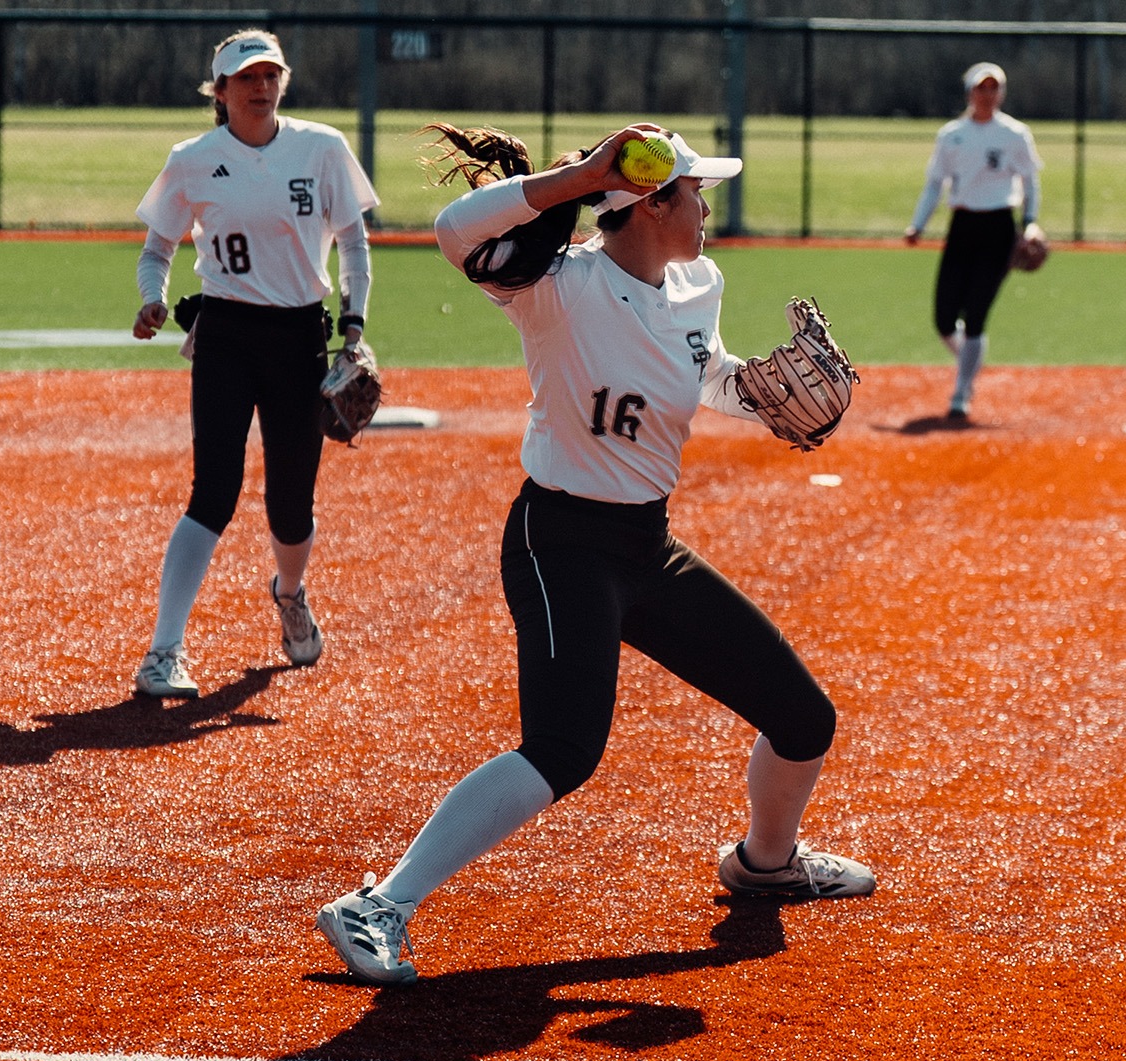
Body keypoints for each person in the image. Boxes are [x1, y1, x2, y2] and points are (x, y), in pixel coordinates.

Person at [315, 123, 876, 985]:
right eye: (694, 191)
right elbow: (454, 232)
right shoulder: (555, 286)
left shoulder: (699, 282)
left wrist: (756, 394)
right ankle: (378, 905)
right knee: (564, 747)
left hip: (645, 549)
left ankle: (767, 863)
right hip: (560, 543)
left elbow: (700, 365)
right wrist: (579, 176)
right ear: (648, 203)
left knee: (805, 720)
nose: (707, 206)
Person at [128, 29, 378, 698]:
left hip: (300, 339)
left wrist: (352, 329)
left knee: (291, 505)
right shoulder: (192, 159)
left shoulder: (321, 148)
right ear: (220, 92)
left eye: (269, 74)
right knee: (213, 491)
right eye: (245, 78)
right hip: (226, 336)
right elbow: (157, 253)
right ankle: (164, 651)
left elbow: (353, 247)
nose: (260, 86)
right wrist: (153, 300)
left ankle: (289, 594)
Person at [905, 61, 1045, 422]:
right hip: (963, 225)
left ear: (1001, 93)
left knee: (977, 311)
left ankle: (961, 392)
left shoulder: (1015, 134)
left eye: (993, 87)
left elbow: (1030, 182)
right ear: (969, 92)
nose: (987, 94)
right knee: (944, 318)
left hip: (999, 227)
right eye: (981, 88)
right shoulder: (951, 135)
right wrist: (917, 224)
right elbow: (935, 183)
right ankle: (971, 358)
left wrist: (1029, 224)